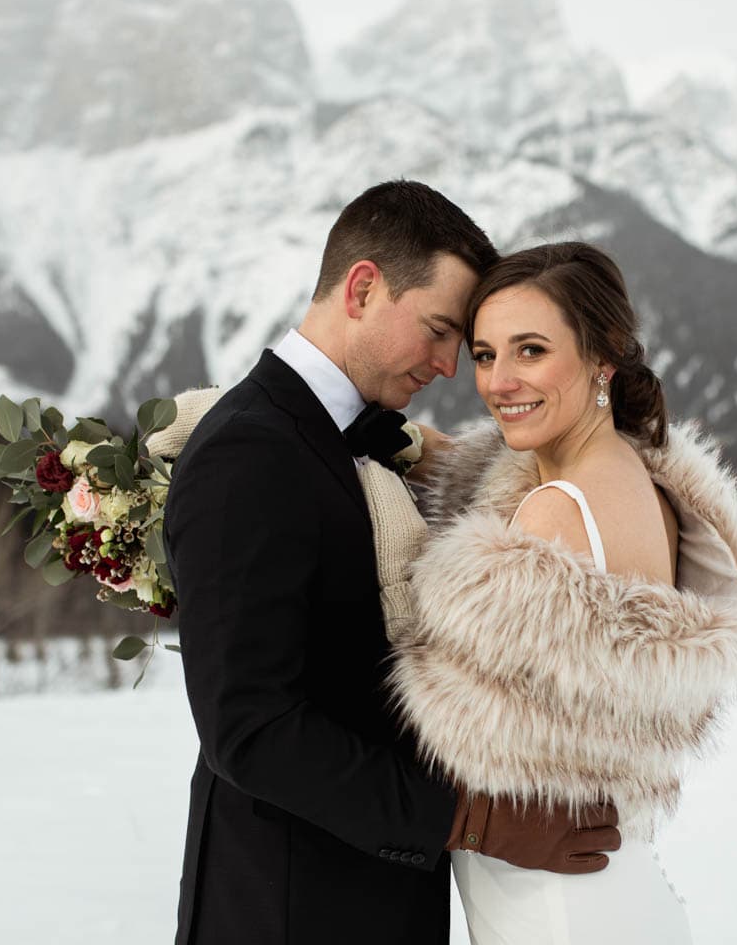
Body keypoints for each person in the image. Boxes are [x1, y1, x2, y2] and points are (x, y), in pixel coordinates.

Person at [161, 184, 621, 945]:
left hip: (367, 897)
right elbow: (250, 726)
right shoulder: (249, 451)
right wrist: (470, 819)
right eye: (442, 331)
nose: (449, 367)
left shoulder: (353, 438)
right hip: (289, 908)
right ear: (364, 287)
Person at [378, 242, 737, 944]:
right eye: (484, 355)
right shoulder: (630, 472)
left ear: (603, 356)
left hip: (553, 905)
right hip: (602, 884)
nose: (500, 382)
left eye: (531, 350)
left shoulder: (556, 510)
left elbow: (448, 714)